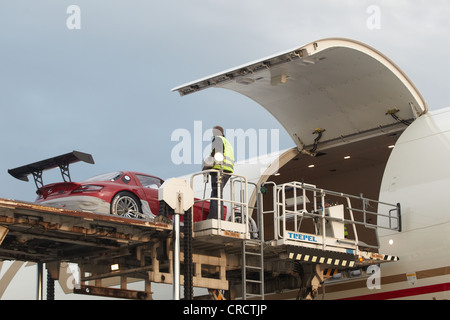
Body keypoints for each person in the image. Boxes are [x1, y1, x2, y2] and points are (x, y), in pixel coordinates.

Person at [206, 125, 235, 220]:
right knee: (218, 194)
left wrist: (209, 162)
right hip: (228, 170)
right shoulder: (227, 142)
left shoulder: (218, 139)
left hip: (219, 170)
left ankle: (215, 217)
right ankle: (216, 216)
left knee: (216, 194)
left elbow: (217, 152)